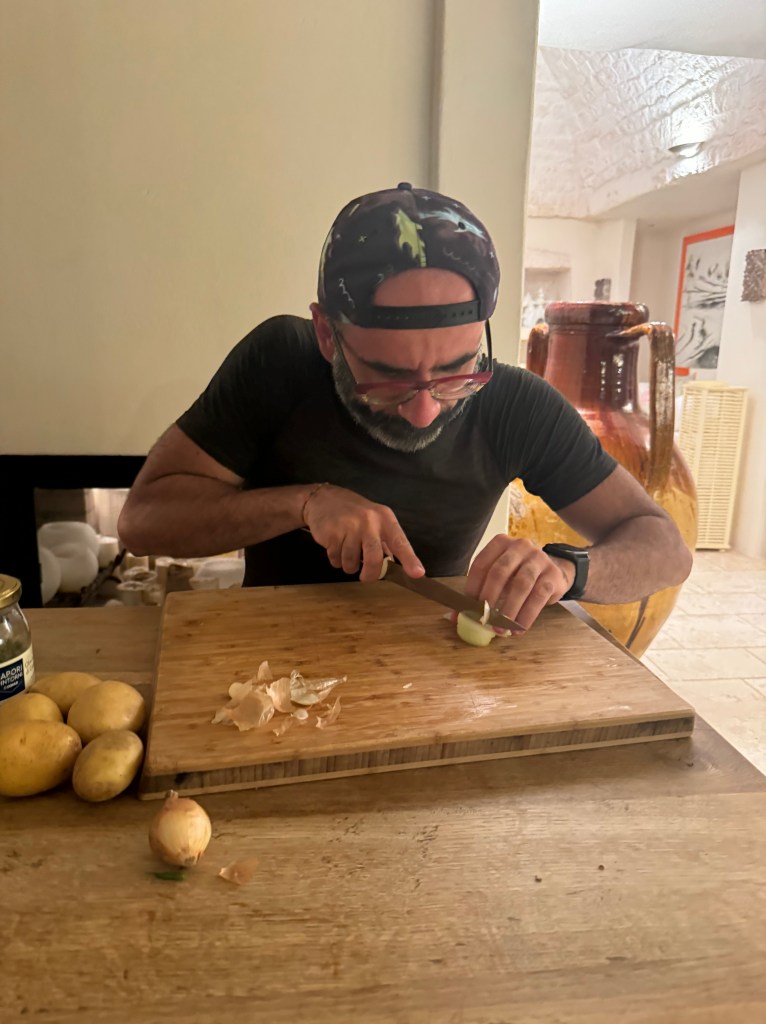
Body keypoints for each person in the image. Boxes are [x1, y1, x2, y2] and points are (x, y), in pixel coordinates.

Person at [118, 182, 692, 631]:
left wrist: (565, 571)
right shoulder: (281, 362)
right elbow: (142, 524)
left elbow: (665, 548)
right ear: (327, 334)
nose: (424, 413)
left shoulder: (515, 406)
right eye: (388, 378)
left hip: (427, 669)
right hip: (265, 660)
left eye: (456, 372)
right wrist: (305, 503)